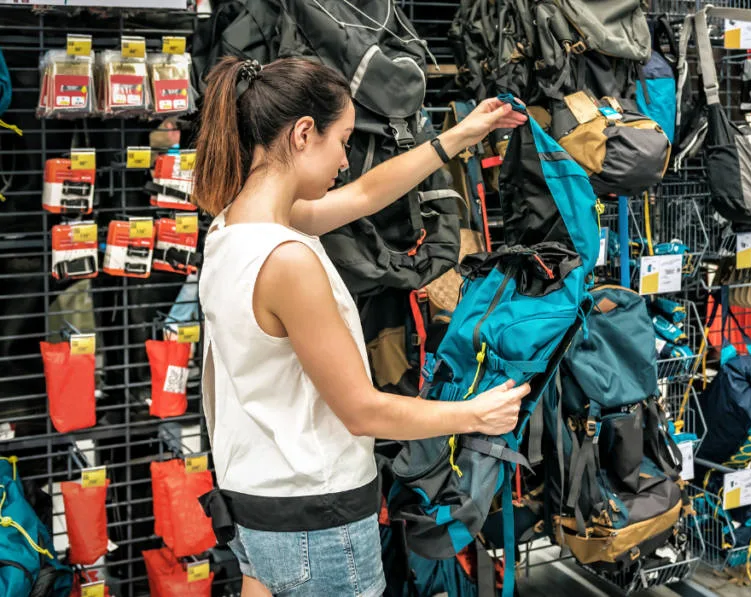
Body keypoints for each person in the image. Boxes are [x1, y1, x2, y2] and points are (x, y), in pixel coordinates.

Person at [191, 56, 530, 597]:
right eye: (343, 140)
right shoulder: (287, 259)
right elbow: (360, 410)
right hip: (316, 522)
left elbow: (367, 194)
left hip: (257, 510)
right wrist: (474, 415)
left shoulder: (233, 226)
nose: (346, 160)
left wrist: (461, 135)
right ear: (304, 134)